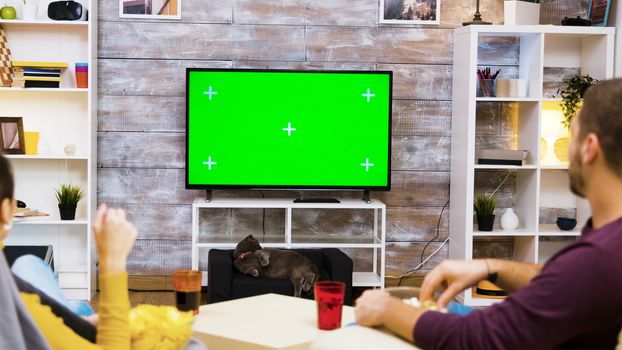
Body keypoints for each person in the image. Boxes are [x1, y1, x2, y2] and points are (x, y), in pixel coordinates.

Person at [355, 78, 622, 349]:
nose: (569, 150)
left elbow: (475, 339)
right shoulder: (607, 246)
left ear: (589, 148)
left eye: (571, 135)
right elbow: (563, 285)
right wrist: (489, 268)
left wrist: (386, 308)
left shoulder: (598, 260)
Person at [0, 152, 137, 349]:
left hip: (52, 317)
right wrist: (112, 261)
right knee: (79, 308)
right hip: (62, 332)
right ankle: (79, 317)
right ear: (6, 210)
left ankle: (78, 317)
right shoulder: (19, 306)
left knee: (28, 262)